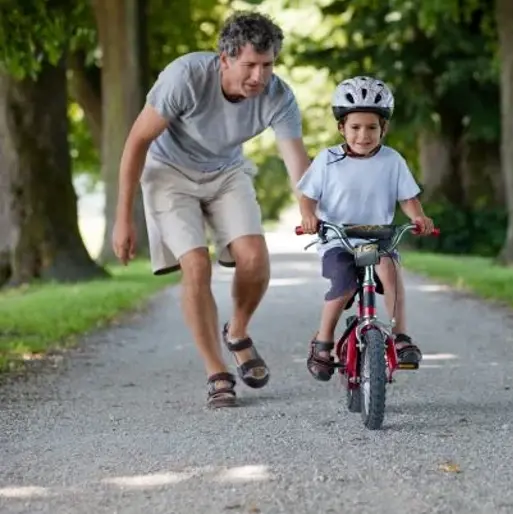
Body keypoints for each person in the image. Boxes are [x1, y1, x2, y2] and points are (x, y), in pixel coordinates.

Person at [111, 11, 312, 408]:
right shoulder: (185, 77)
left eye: (267, 65)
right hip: (169, 173)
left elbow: (296, 161)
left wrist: (309, 211)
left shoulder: (279, 96)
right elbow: (136, 142)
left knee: (254, 258)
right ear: (225, 59)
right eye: (249, 65)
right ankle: (216, 371)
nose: (259, 76)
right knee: (197, 265)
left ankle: (237, 332)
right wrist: (122, 218)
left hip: (225, 172)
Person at [296, 76, 435, 382]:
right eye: (355, 127)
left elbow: (408, 198)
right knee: (343, 284)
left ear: (383, 128)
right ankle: (323, 341)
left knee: (389, 268)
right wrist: (309, 217)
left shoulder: (392, 160)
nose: (363, 135)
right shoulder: (327, 160)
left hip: (376, 238)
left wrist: (419, 217)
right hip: (338, 239)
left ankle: (400, 336)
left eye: (372, 127)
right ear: (341, 128)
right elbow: (307, 197)